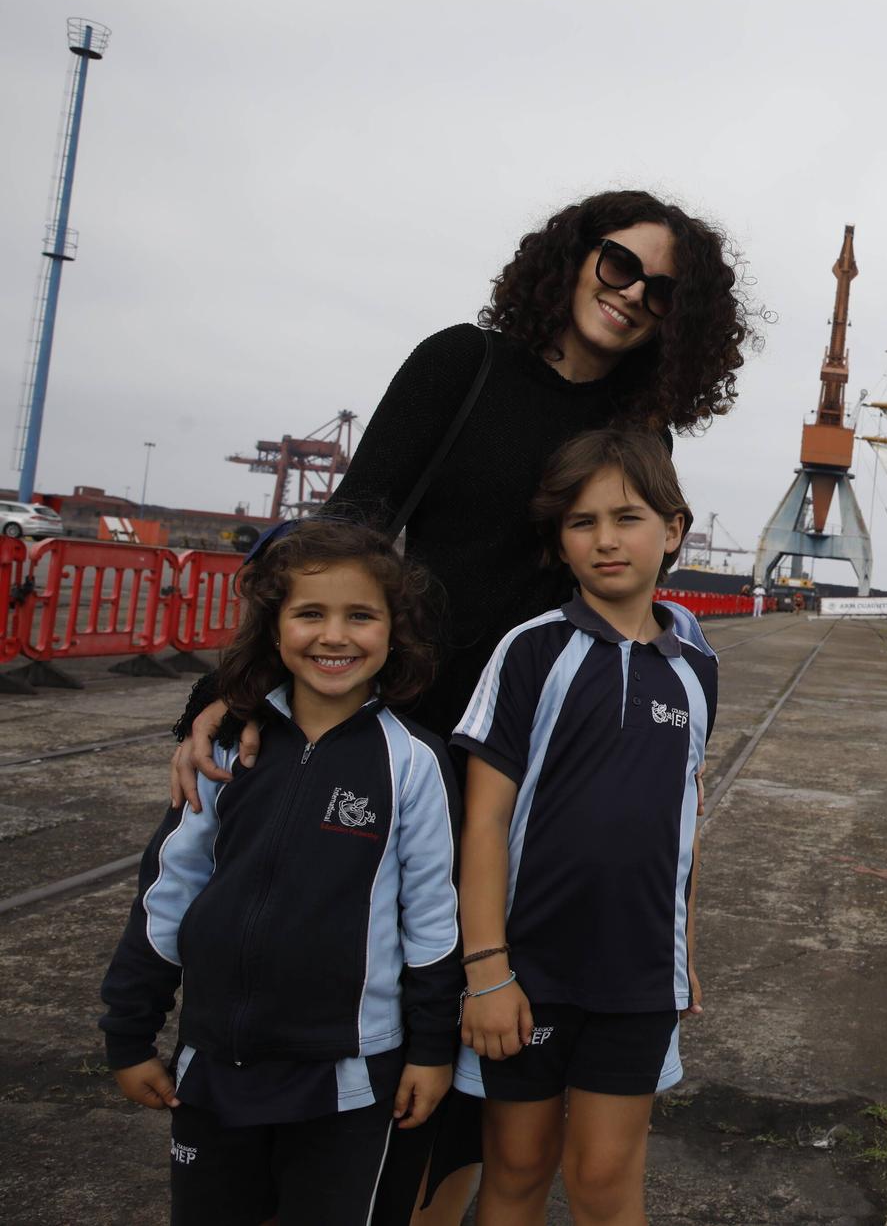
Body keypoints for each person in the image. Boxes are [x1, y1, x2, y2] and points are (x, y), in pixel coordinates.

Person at [166, 188, 759, 1221]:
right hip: (405, 734)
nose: (631, 296)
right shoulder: (463, 363)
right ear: (574, 256)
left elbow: (623, 593)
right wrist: (239, 683)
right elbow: (355, 520)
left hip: (526, 759)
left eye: (662, 292)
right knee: (387, 1026)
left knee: (477, 1100)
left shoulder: (634, 423)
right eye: (618, 265)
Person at [100, 520, 459, 1226]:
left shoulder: (415, 761)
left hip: (349, 1081)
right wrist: (129, 1031)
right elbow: (165, 895)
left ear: (395, 630)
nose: (335, 635)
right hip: (214, 1068)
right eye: (309, 614)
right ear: (273, 628)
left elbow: (431, 922)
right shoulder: (227, 748)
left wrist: (432, 1049)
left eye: (361, 615)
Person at [453, 430, 713, 1226]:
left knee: (604, 1176)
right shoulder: (532, 652)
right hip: (527, 970)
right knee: (519, 1165)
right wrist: (487, 970)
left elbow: (684, 816)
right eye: (580, 521)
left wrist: (685, 953)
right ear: (559, 543)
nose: (605, 538)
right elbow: (486, 819)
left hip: (637, 973)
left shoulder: (695, 662)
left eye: (627, 516)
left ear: (672, 530)